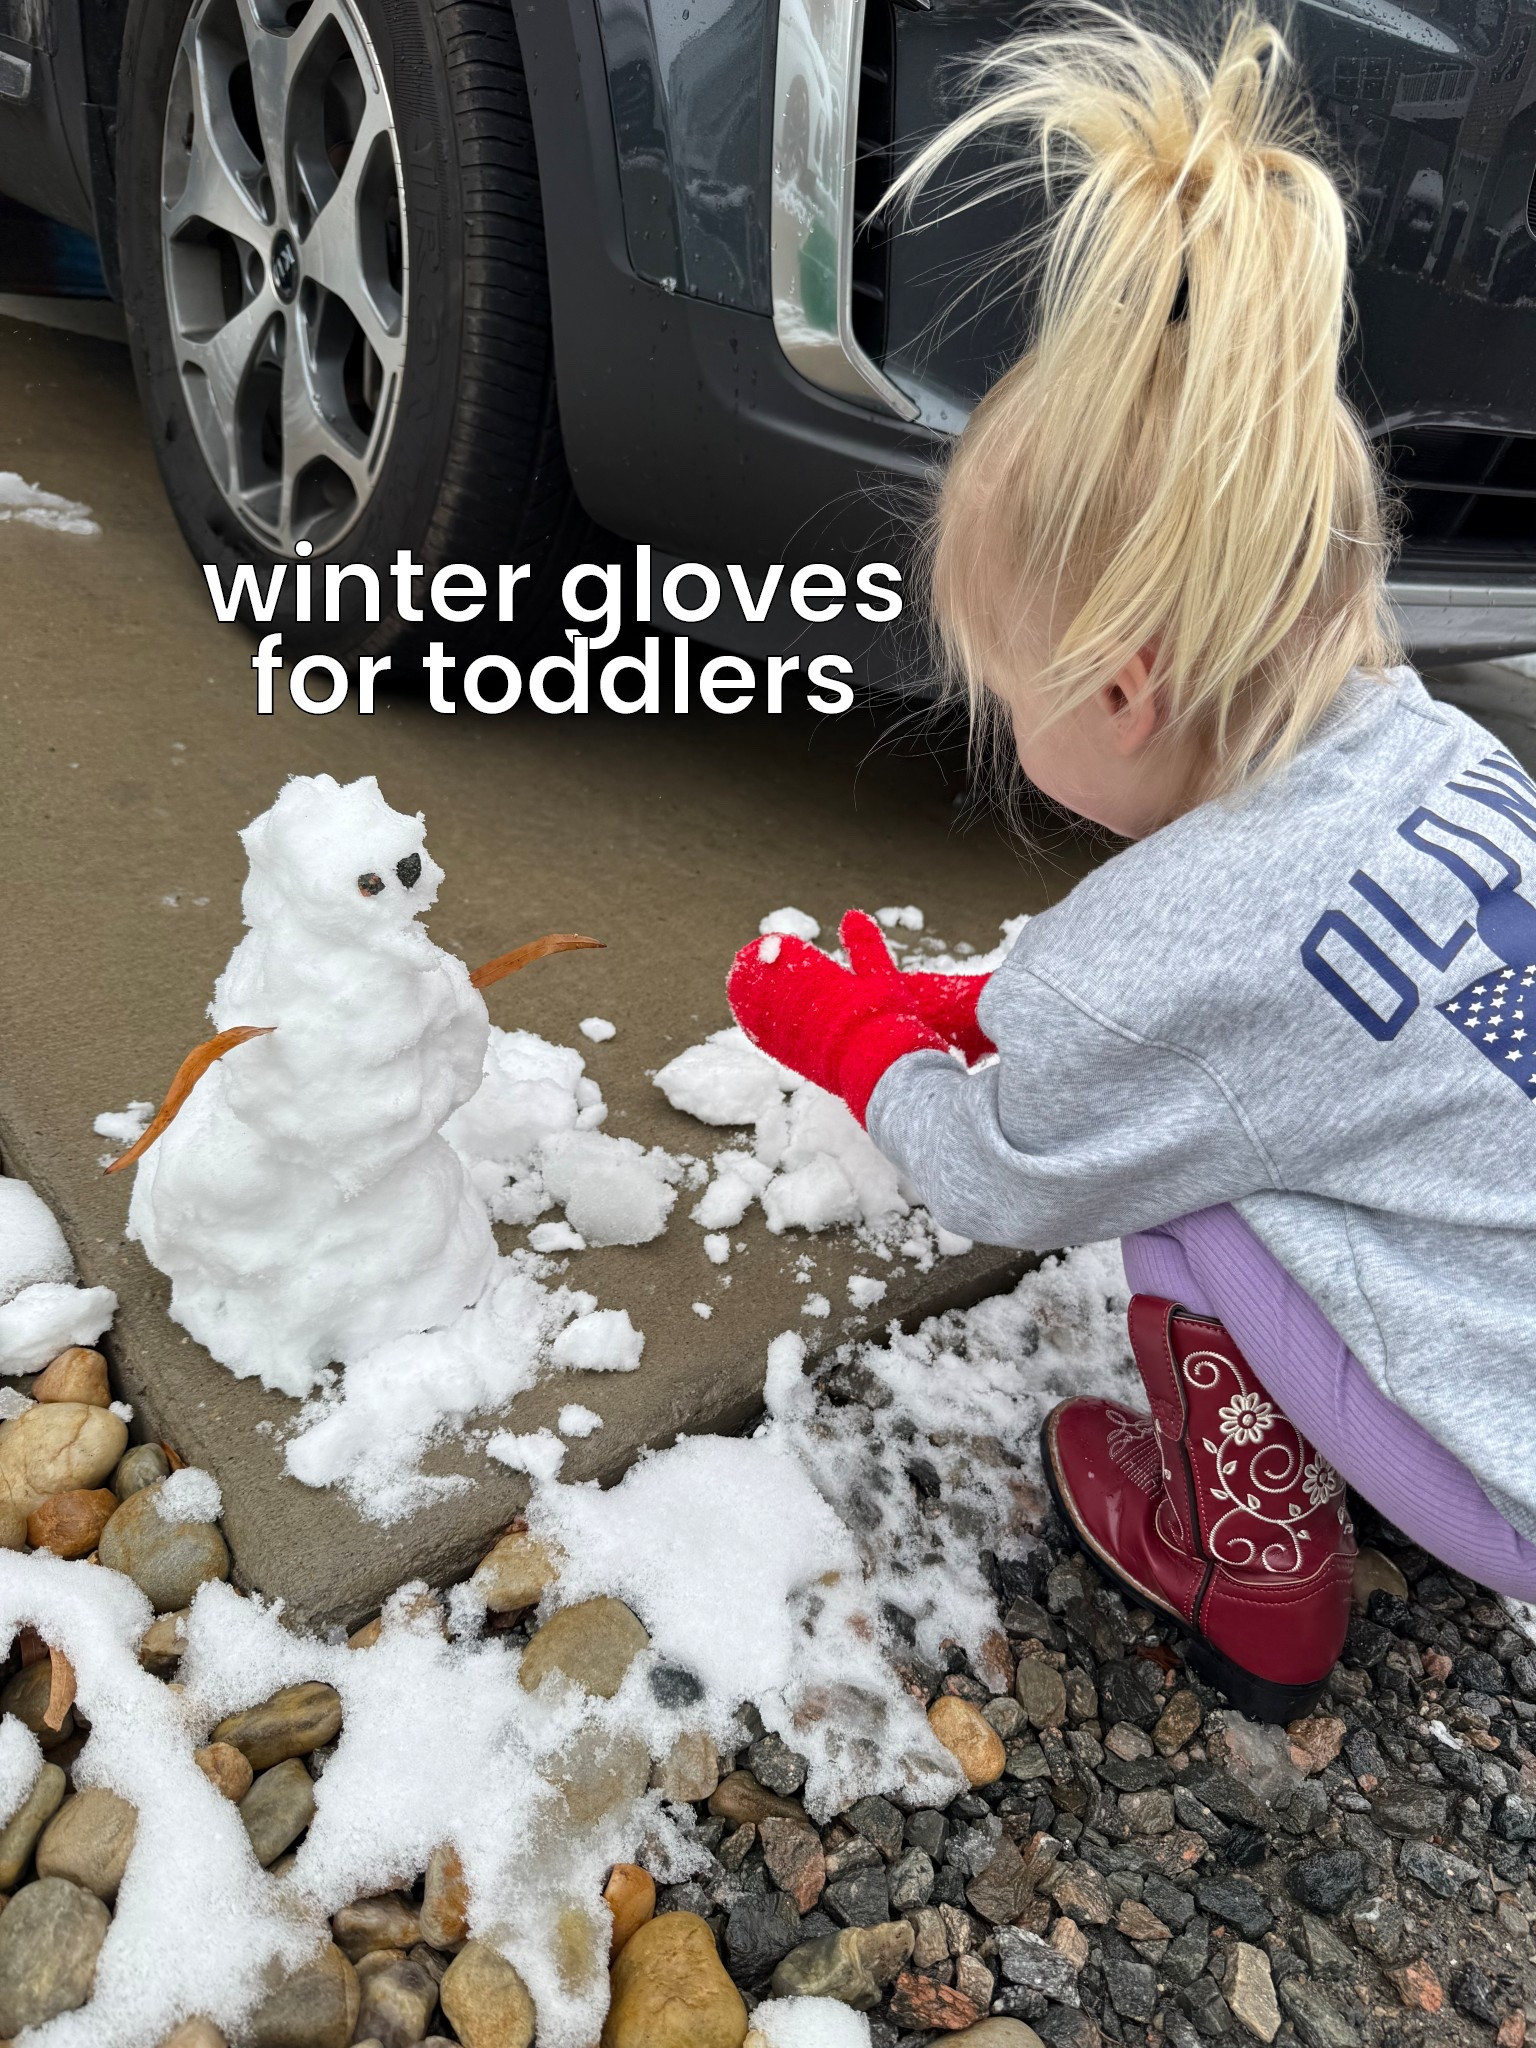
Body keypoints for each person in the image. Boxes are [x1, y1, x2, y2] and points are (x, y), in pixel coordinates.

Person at [726, 7, 1536, 1725]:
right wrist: (978, 993)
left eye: (1009, 697)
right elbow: (1304, 1010)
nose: (1006, 733)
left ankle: (1248, 1578)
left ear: (1120, 690)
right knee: (1252, 1108)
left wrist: (873, 1047)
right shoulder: (1453, 759)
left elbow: (1022, 1165)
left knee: (1180, 1178)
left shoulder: (1163, 957)